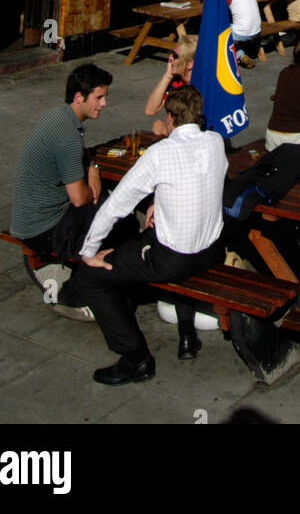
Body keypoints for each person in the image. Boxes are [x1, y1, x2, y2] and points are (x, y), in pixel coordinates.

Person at [70, 86, 227, 384]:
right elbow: (198, 179)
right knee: (141, 244)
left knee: (88, 278)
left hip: (174, 259)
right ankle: (180, 332)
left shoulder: (160, 153)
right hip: (212, 252)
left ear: (170, 117)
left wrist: (89, 251)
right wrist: (158, 200)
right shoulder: (215, 142)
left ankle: (135, 358)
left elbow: (116, 206)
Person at [11, 63, 112, 262]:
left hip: (25, 220)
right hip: (43, 229)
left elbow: (78, 154)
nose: (104, 104)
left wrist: (92, 165)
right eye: (98, 97)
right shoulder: (68, 137)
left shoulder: (56, 115)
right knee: (113, 213)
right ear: (79, 97)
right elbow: (79, 199)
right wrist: (94, 177)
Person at [144, 36, 196, 136]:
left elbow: (198, 131)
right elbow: (150, 110)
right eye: (171, 53)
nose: (170, 58)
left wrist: (166, 130)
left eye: (175, 56)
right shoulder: (176, 80)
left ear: (189, 64)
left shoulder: (202, 85)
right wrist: (168, 75)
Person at [225, 0, 264, 69]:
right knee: (236, 28)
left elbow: (215, 1)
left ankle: (225, 60)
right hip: (256, 30)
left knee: (222, 31)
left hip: (242, 33)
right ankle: (241, 56)